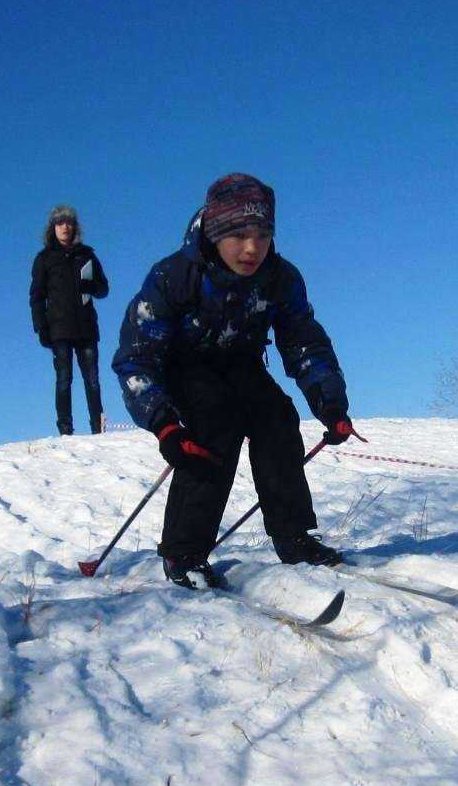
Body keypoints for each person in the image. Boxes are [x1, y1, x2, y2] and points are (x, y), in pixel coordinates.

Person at [112, 173, 357, 589]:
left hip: (242, 365)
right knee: (214, 425)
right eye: (239, 235)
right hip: (184, 369)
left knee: (278, 418)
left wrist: (330, 403)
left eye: (263, 235)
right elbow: (136, 357)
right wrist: (164, 424)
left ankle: (294, 537)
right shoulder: (174, 277)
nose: (252, 248)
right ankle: (184, 552)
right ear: (215, 231)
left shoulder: (280, 278)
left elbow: (304, 341)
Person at [29, 204, 110, 435]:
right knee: (64, 379)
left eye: (69, 222)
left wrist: (90, 286)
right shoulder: (44, 259)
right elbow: (36, 297)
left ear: (75, 227)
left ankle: (98, 428)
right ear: (53, 228)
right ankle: (65, 429)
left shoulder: (87, 255)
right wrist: (41, 328)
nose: (64, 227)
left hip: (86, 327)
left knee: (92, 380)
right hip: (59, 328)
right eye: (59, 223)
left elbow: (103, 288)